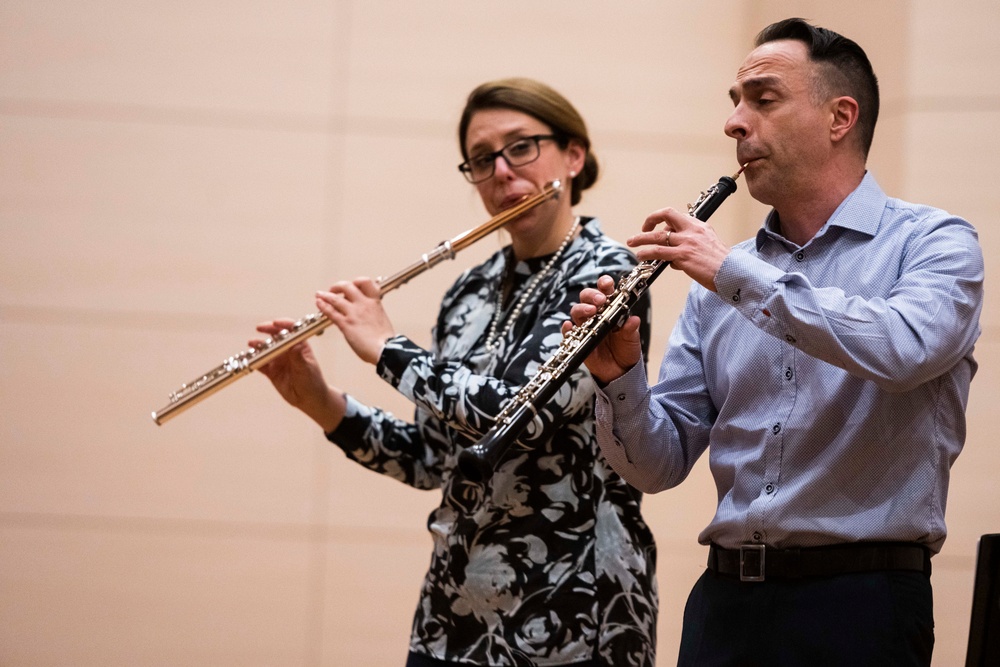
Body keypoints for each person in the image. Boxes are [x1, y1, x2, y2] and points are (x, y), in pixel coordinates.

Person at [569, 18, 984, 667]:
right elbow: (658, 462)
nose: (735, 123)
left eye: (762, 99)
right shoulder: (722, 278)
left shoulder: (934, 244)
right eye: (734, 103)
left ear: (839, 116)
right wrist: (618, 376)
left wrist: (731, 273)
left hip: (861, 601)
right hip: (724, 602)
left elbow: (906, 347)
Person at [253, 78, 658, 667]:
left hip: (574, 611)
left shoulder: (611, 275)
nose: (500, 170)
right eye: (480, 158)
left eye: (521, 147)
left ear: (573, 156)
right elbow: (432, 458)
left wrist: (389, 348)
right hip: (456, 614)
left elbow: (517, 413)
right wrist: (321, 402)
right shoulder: (467, 292)